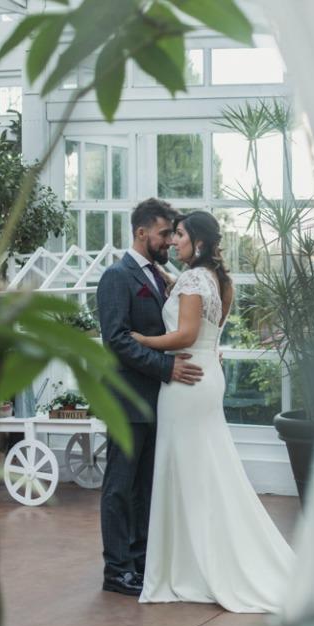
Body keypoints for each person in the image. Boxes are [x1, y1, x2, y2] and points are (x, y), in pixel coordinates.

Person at [131, 210, 294, 611]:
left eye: (180, 235)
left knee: (188, 470)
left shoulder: (191, 279)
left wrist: (141, 340)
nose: (173, 242)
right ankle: (199, 559)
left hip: (185, 381)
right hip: (205, 373)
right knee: (205, 469)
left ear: (198, 242)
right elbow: (207, 330)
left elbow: (186, 333)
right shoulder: (219, 280)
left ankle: (191, 566)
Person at [97, 198, 204, 596]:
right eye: (163, 234)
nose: (169, 241)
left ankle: (140, 561)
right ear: (141, 233)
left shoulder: (161, 276)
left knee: (144, 487)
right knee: (120, 487)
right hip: (126, 400)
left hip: (156, 401)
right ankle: (116, 570)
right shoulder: (116, 277)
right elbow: (117, 340)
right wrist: (167, 367)